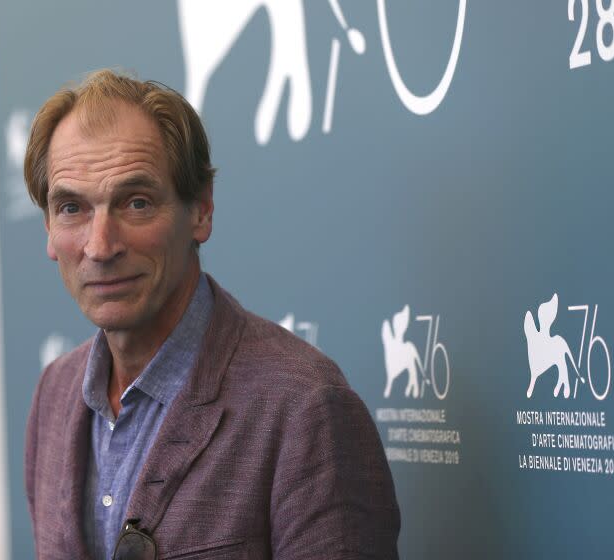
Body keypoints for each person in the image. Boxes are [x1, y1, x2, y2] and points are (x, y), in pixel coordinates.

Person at [23, 69, 400, 559]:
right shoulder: (55, 394)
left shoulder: (304, 408)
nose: (100, 245)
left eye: (136, 203)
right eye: (72, 208)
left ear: (200, 211)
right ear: (50, 230)